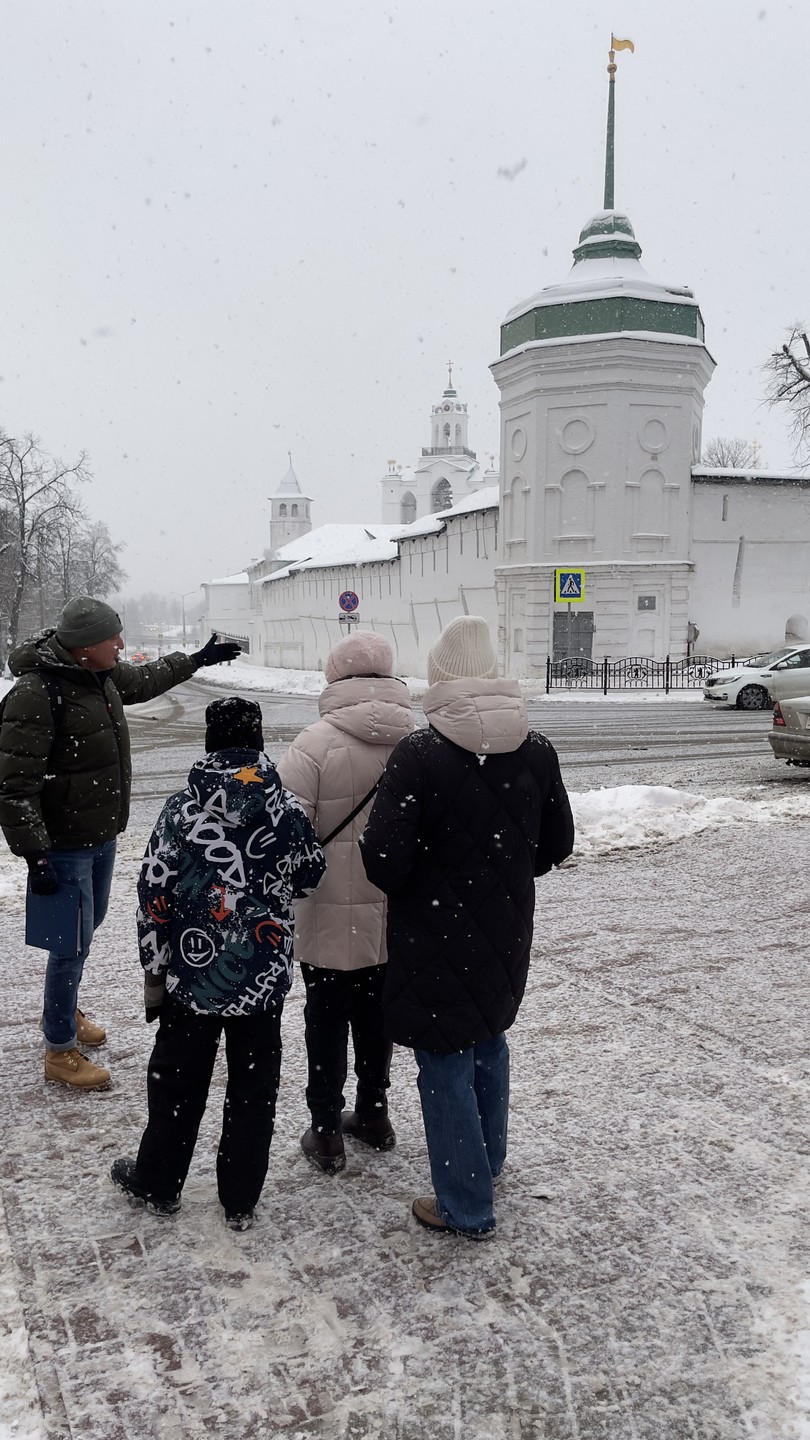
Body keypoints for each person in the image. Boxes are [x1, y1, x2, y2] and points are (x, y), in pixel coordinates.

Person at [360, 615, 575, 1239]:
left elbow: (384, 861)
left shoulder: (421, 754)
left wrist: (433, 883)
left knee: (444, 1056)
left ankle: (465, 1204)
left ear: (442, 679)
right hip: (506, 929)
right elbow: (556, 842)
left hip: (432, 934)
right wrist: (502, 876)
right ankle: (489, 1157)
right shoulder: (536, 749)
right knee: (487, 1037)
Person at [0, 596, 241, 1090]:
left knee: (84, 935)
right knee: (69, 944)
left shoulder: (99, 676)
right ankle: (59, 1048)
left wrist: (196, 659)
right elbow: (14, 784)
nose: (122, 645)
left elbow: (145, 680)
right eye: (114, 637)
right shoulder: (37, 691)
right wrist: (35, 853)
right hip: (64, 843)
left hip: (101, 834)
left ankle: (62, 1009)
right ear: (86, 646)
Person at [111, 697, 326, 1229]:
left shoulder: (179, 810)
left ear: (210, 743)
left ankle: (159, 1182)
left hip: (192, 978)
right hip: (262, 979)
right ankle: (240, 1198)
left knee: (178, 1084)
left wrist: (155, 968)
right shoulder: (286, 810)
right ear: (257, 742)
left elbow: (152, 894)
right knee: (254, 1089)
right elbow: (311, 875)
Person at [277, 631, 414, 1174]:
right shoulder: (419, 741)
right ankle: (375, 1114)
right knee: (378, 1012)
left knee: (327, 1015)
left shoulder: (313, 744)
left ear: (335, 679)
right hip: (391, 905)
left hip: (325, 907)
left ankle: (326, 1129)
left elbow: (286, 832)